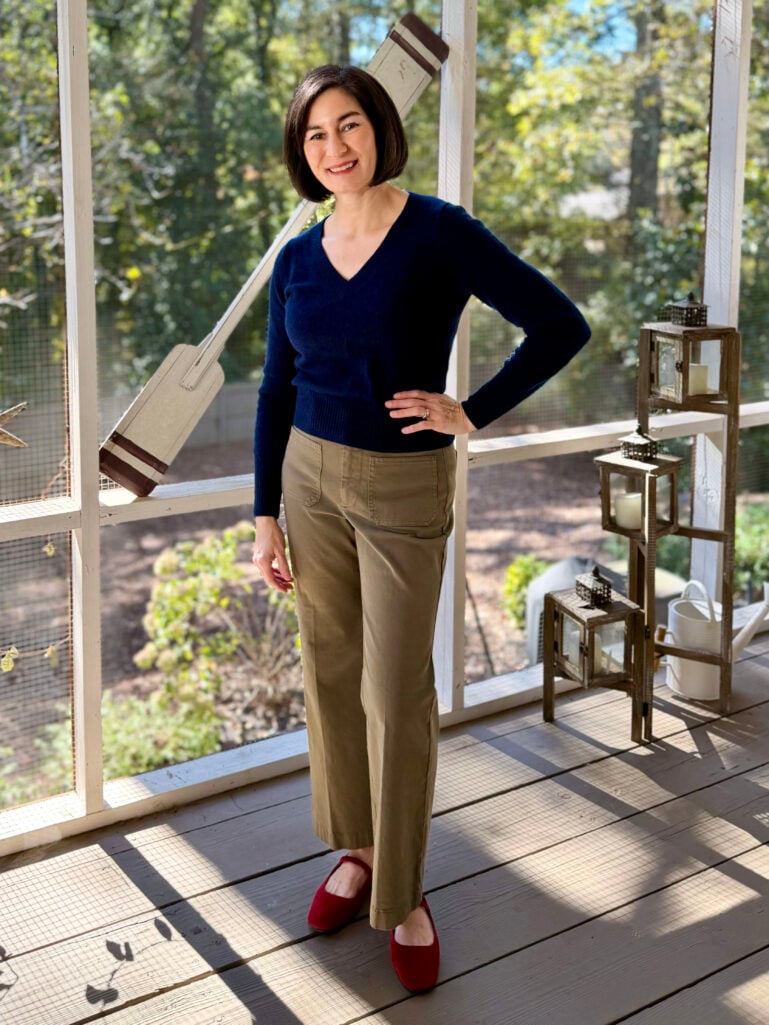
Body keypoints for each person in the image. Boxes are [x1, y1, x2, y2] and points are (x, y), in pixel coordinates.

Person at [252, 63, 590, 993]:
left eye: (348, 126)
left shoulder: (438, 231)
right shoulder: (297, 256)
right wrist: (262, 514)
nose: (334, 149)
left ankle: (400, 892)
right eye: (315, 136)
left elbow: (560, 324)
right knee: (329, 672)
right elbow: (277, 389)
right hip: (308, 480)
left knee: (395, 693)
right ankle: (357, 849)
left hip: (404, 485)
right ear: (301, 153)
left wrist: (469, 411)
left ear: (380, 129)